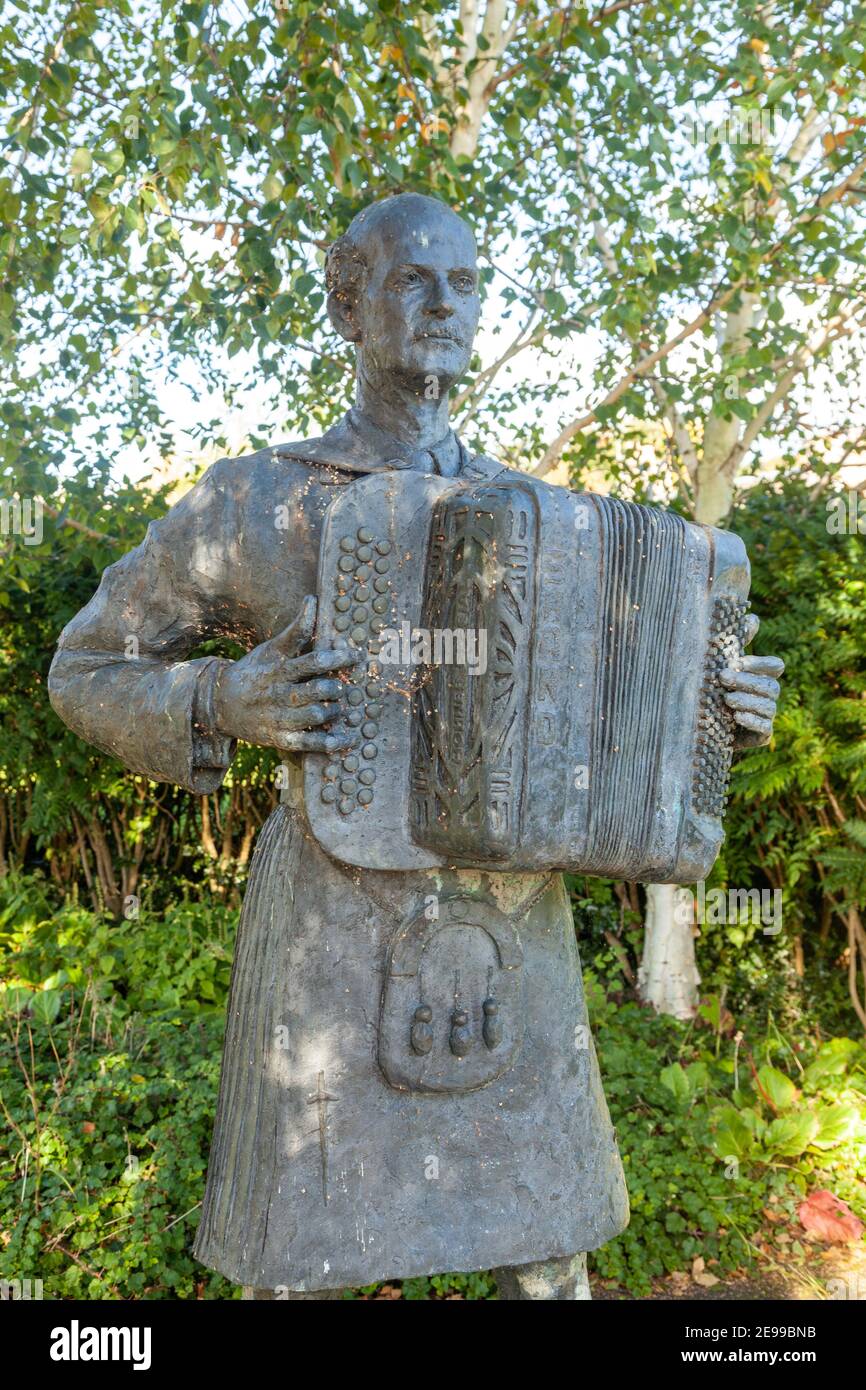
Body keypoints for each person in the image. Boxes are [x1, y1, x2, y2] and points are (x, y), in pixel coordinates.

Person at [48, 193, 782, 1299]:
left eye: (466, 282)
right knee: (298, 1267)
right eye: (411, 279)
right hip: (330, 936)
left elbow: (619, 714)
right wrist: (220, 700)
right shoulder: (254, 499)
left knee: (547, 1255)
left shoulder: (543, 521)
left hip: (513, 934)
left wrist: (711, 704)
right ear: (347, 305)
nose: (446, 303)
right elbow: (85, 668)